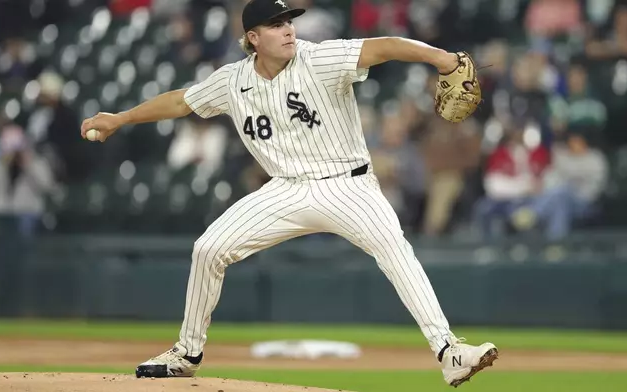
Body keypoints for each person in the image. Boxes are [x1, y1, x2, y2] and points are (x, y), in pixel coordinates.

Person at [80, 0, 498, 387]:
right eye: (276, 24)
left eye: (289, 22)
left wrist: (442, 59)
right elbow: (180, 103)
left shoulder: (319, 58)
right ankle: (186, 353)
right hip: (286, 190)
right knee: (208, 248)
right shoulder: (233, 80)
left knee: (394, 250)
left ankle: (449, 351)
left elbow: (385, 45)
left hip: (348, 185)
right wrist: (121, 117)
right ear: (252, 39)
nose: (288, 30)